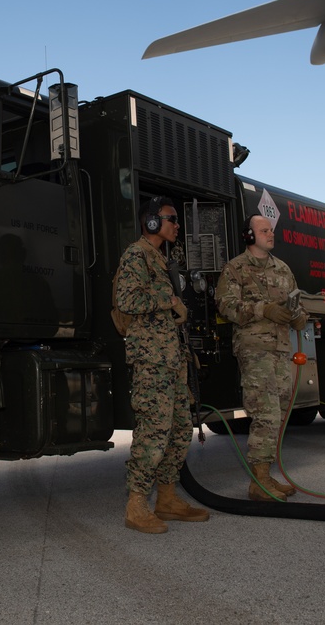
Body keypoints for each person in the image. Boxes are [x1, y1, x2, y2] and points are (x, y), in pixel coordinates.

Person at [114, 196, 209, 533]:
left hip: (172, 360)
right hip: (152, 361)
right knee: (153, 433)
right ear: (151, 222)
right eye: (171, 219)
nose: (177, 225)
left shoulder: (159, 258)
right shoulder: (136, 255)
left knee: (180, 429)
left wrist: (177, 310)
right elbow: (126, 299)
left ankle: (166, 498)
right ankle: (136, 505)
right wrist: (168, 301)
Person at [214, 214, 307, 501]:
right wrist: (262, 310)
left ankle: (265, 474)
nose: (271, 234)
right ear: (249, 236)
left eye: (271, 230)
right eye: (264, 230)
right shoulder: (236, 269)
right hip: (255, 351)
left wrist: (299, 317)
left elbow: (296, 303)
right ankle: (259, 481)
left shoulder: (283, 269)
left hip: (280, 350)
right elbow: (225, 305)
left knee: (277, 412)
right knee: (265, 413)